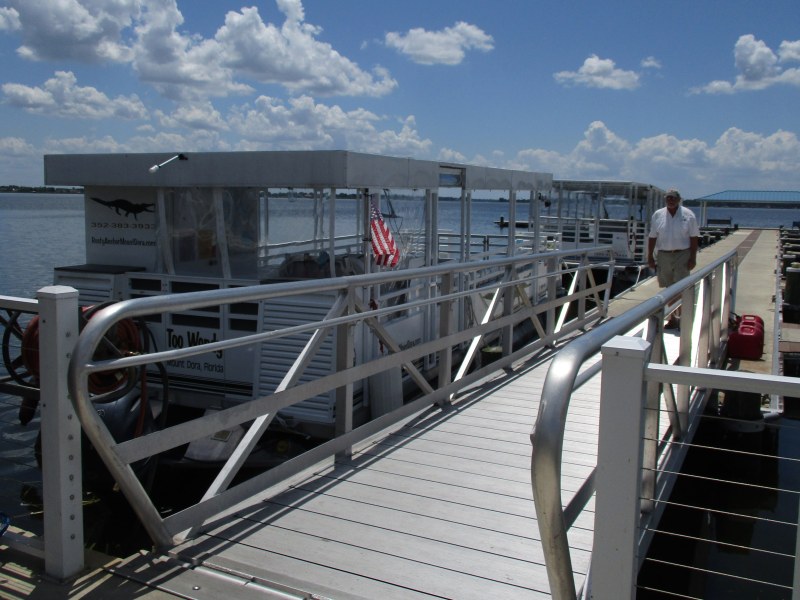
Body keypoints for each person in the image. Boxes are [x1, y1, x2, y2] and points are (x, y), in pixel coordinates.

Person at [647, 188, 700, 327]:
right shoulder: (658, 215)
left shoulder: (689, 215)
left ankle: (681, 317)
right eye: (668, 198)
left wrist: (693, 258)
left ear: (679, 199)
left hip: (682, 254)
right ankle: (672, 317)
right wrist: (650, 257)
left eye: (673, 198)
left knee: (680, 286)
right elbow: (652, 236)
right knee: (669, 288)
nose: (670, 200)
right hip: (663, 254)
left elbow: (694, 237)